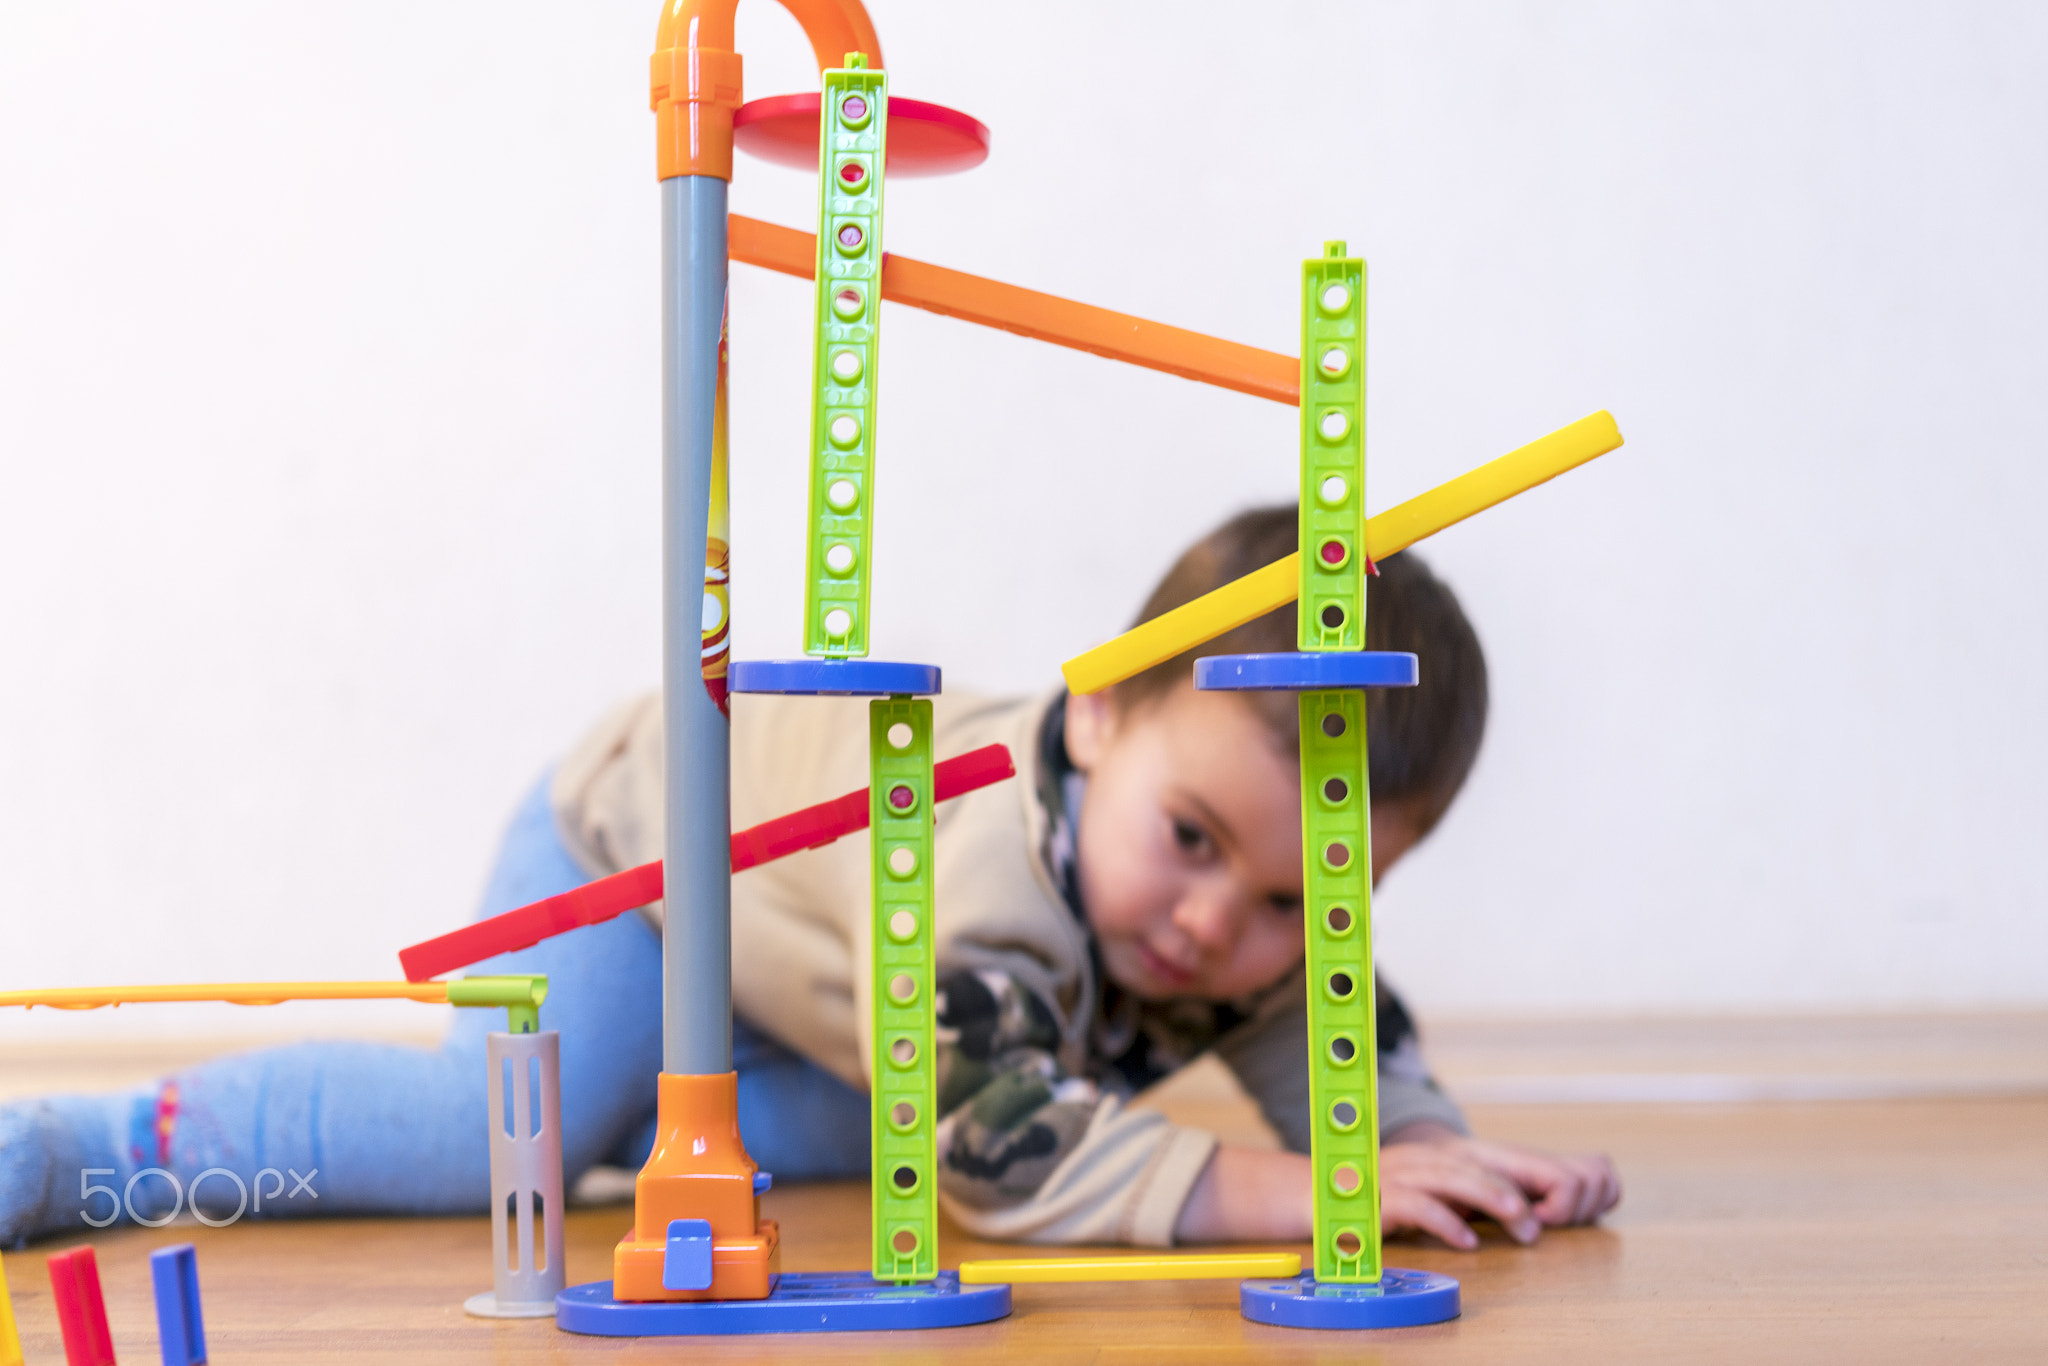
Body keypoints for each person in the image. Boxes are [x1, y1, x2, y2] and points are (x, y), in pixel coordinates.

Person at [0, 506, 1618, 1251]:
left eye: (1303, 902)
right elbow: (1000, 1159)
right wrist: (1307, 1191)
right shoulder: (997, 854)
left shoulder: (1239, 910)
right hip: (641, 866)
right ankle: (58, 1153)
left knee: (864, 1123)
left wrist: (1438, 1156)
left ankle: (674, 1112)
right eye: (1194, 841)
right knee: (505, 1143)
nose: (1222, 928)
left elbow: (1338, 1040)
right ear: (1106, 708)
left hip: (824, 1000)